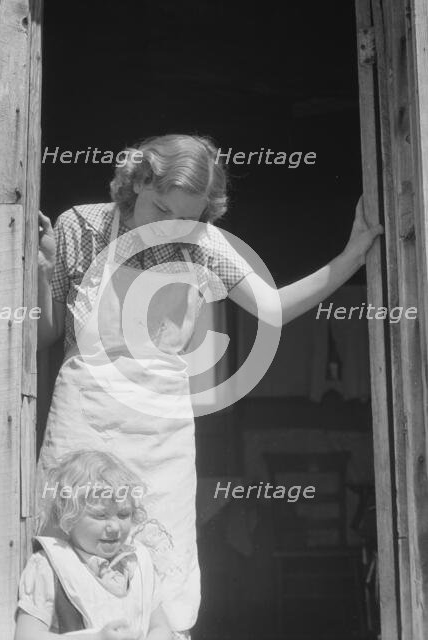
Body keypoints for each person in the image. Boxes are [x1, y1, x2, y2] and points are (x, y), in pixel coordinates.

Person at [36, 134, 383, 638]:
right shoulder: (80, 228)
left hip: (158, 435)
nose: (170, 226)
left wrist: (354, 254)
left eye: (187, 216)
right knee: (66, 563)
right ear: (136, 182)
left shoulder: (202, 243)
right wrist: (44, 273)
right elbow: (45, 336)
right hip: (83, 421)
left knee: (156, 575)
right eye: (160, 208)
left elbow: (274, 309)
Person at [15, 449, 171, 640]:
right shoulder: (50, 566)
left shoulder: (137, 563)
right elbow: (26, 636)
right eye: (100, 515)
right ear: (69, 517)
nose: (114, 526)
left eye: (123, 515)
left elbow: (160, 627)